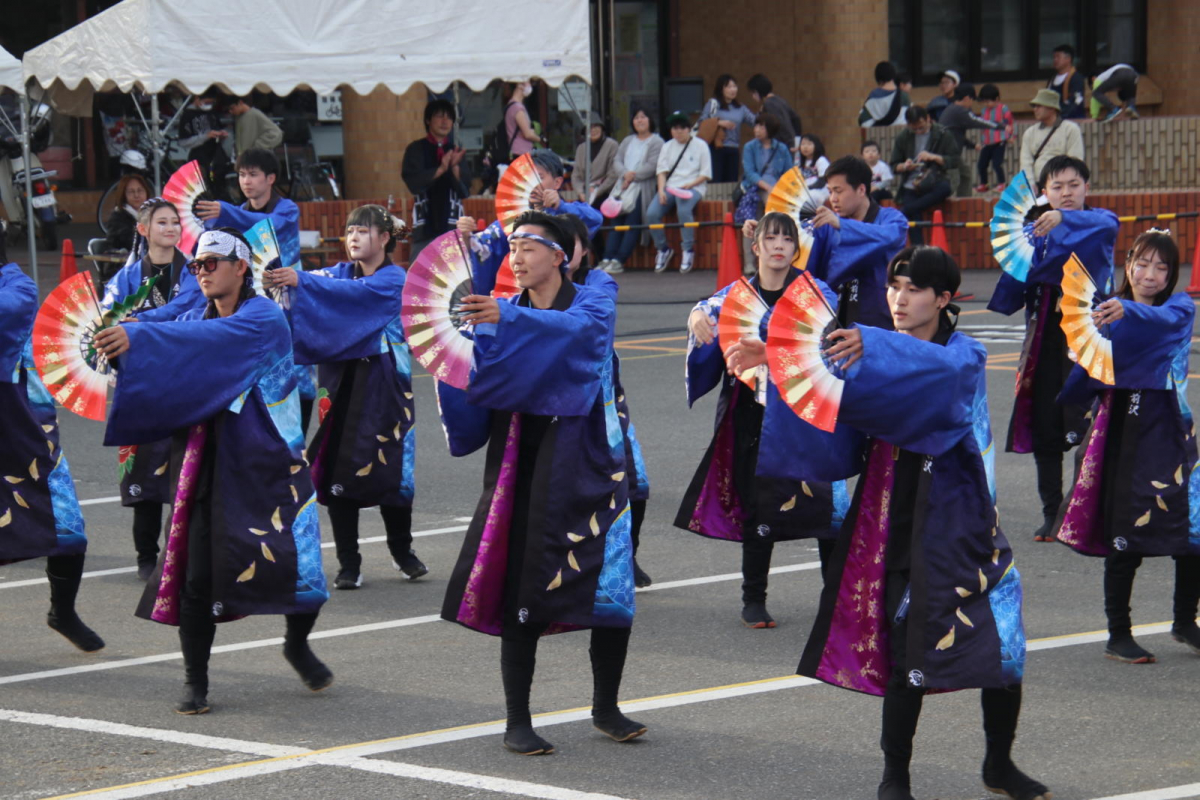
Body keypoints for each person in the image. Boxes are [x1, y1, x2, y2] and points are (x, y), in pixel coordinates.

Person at [790, 246, 1045, 800]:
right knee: (906, 651)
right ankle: (895, 778)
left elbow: (943, 375)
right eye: (893, 287)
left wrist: (875, 344)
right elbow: (823, 389)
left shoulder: (964, 354)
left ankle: (999, 764)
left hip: (962, 520)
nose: (898, 299)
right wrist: (765, 358)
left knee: (1005, 644)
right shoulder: (871, 349)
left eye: (913, 289)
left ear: (944, 298)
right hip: (896, 518)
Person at [95, 228, 332, 715]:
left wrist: (142, 336)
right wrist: (124, 340)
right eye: (195, 265)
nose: (201, 272)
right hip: (206, 463)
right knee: (196, 576)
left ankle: (297, 644)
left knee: (299, 568)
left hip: (268, 461)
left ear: (241, 267)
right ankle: (195, 680)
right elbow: (173, 330)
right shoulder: (194, 315)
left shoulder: (262, 317)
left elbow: (205, 340)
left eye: (211, 263)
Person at [435, 211, 643, 755]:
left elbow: (583, 335)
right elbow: (473, 379)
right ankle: (517, 720)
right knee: (523, 589)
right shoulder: (501, 310)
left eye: (528, 247)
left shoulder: (593, 300)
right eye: (512, 249)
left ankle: (606, 707)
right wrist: (453, 352)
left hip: (592, 462)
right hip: (527, 463)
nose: (517, 258)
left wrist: (505, 319)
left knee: (610, 585)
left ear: (560, 256)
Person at [678, 212, 848, 629]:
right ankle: (753, 598)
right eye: (770, 238)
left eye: (787, 240)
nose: (778, 246)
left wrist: (767, 341)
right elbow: (707, 309)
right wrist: (696, 315)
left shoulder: (816, 291)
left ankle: (836, 600)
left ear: (796, 249)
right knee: (757, 504)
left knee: (827, 507)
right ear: (755, 247)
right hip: (752, 412)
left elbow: (821, 340)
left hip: (805, 412)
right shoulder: (737, 293)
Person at [1053, 230, 1200, 663]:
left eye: (1162, 267)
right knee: (1125, 533)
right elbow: (1084, 376)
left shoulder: (1179, 309)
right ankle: (1118, 632)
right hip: (1122, 430)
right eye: (1142, 263)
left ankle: (1185, 621)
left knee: (1192, 528)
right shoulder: (1105, 313)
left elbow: (1163, 320)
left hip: (1171, 430)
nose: (1150, 274)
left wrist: (1126, 311)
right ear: (1129, 263)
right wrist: (1085, 349)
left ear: (1171, 275)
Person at [266, 205, 426, 591]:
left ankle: (402, 550)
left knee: (391, 469)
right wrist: (282, 283)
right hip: (338, 386)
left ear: (384, 238)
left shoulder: (393, 279)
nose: (353, 237)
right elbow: (317, 287)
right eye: (350, 231)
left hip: (384, 388)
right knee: (338, 471)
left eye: (363, 231)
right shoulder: (336, 274)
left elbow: (353, 295)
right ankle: (348, 562)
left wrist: (302, 281)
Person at [988, 155, 1118, 542]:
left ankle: (1084, 511)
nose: (1066, 193)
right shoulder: (1035, 231)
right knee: (1045, 423)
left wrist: (1061, 222)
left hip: (1090, 334)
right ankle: (1051, 512)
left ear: (1087, 188)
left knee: (1092, 424)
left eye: (1074, 185)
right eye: (1057, 187)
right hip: (1045, 334)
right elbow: (1012, 292)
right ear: (1044, 192)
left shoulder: (1099, 222)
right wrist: (1017, 256)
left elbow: (1109, 224)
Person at [0, 256, 104, 654]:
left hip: (26, 430)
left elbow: (8, 311)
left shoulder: (18, 287)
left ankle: (62, 611)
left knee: (68, 528)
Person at [100, 198, 198, 580]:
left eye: (175, 222)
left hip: (184, 380)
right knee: (143, 473)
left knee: (185, 470)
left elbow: (190, 310)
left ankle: (181, 554)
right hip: (142, 382)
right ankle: (145, 555)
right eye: (162, 222)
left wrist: (140, 321)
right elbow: (110, 317)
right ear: (143, 229)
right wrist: (122, 325)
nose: (171, 228)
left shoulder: (193, 271)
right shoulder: (125, 279)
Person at [194, 148, 315, 435]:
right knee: (255, 371)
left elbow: (268, 227)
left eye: (253, 174)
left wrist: (226, 212)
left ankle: (296, 445)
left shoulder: (287, 209)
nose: (246, 181)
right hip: (251, 304)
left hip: (288, 305)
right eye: (241, 175)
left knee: (297, 373)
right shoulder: (237, 212)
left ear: (270, 178)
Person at [743, 156, 909, 330]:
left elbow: (890, 236)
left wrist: (842, 225)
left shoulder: (892, 219)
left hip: (881, 317)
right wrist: (765, 232)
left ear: (861, 189)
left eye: (838, 191)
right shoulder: (826, 225)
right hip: (835, 316)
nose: (833, 198)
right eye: (830, 192)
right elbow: (799, 245)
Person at [597, 108, 663, 275]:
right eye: (636, 117)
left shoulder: (657, 142)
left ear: (650, 120)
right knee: (616, 221)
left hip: (641, 188)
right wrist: (624, 174)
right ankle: (607, 257)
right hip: (622, 188)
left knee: (632, 223)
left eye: (643, 117)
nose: (639, 120)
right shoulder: (627, 140)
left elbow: (652, 165)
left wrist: (631, 177)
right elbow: (617, 160)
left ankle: (619, 260)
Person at [402, 99, 469, 259]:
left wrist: (454, 168)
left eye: (449, 117)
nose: (445, 121)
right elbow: (414, 183)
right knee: (421, 271)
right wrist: (440, 169)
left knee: (456, 271)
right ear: (428, 120)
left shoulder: (455, 150)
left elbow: (465, 190)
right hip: (424, 226)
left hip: (452, 226)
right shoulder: (415, 149)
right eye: (439, 116)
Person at [646, 111, 712, 274]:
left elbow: (705, 174)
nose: (678, 131)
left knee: (683, 210)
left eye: (682, 127)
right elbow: (661, 172)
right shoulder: (667, 146)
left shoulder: (701, 145)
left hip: (694, 187)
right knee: (651, 214)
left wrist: (690, 184)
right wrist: (661, 190)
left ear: (689, 129)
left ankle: (688, 250)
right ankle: (663, 248)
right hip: (671, 187)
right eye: (675, 128)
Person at [890, 106, 958, 245]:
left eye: (921, 127)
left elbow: (955, 160)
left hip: (934, 179)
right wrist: (905, 166)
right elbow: (893, 166)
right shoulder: (904, 136)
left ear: (928, 118)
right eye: (914, 129)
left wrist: (934, 157)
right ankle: (919, 249)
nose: (918, 131)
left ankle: (906, 210)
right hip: (911, 183)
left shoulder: (942, 134)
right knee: (913, 213)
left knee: (944, 188)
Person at [737, 113, 792, 271]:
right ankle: (749, 263)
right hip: (754, 189)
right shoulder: (750, 147)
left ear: (770, 129)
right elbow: (749, 173)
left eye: (761, 126)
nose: (757, 129)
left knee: (777, 223)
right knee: (750, 223)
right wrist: (768, 187)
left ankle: (776, 259)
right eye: (756, 125)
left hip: (777, 191)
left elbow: (789, 173)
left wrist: (780, 190)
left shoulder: (781, 148)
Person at [937, 84, 1000, 197]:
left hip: (948, 151)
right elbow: (978, 121)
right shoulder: (959, 111)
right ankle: (944, 200)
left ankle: (964, 201)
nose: (972, 103)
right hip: (947, 153)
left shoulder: (952, 109)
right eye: (972, 100)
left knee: (965, 175)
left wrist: (972, 144)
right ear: (967, 98)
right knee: (953, 180)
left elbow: (956, 134)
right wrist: (1001, 126)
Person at [698, 74, 757, 183]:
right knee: (715, 183)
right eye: (729, 87)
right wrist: (719, 123)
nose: (733, 90)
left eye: (734, 86)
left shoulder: (740, 107)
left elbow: (754, 121)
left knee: (731, 183)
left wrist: (765, 111)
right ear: (721, 89)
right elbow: (701, 123)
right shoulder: (713, 104)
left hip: (733, 148)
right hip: (716, 148)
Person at [1019, 89, 1084, 186]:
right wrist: (1030, 184)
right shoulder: (1030, 133)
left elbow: (1075, 160)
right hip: (1037, 184)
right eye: (1034, 106)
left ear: (1052, 108)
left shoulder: (1071, 129)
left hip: (1062, 184)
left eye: (1039, 106)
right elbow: (1025, 162)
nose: (1035, 109)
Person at [176, 91, 230, 193]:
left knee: (217, 183)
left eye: (211, 103)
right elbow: (183, 142)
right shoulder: (188, 115)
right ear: (197, 99)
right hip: (199, 156)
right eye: (207, 102)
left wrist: (221, 134)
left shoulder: (212, 113)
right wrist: (205, 136)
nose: (209, 105)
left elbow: (218, 128)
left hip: (215, 156)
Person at [747, 73, 802, 152]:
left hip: (782, 146)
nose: (753, 96)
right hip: (790, 143)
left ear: (757, 91)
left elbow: (781, 125)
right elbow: (796, 119)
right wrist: (796, 140)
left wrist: (789, 144)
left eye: (753, 93)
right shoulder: (781, 101)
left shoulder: (769, 104)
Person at [975, 84, 1014, 193]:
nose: (986, 104)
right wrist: (982, 140)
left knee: (997, 163)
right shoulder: (984, 111)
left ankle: (1002, 183)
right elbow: (983, 125)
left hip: (999, 140)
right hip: (987, 142)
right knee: (981, 164)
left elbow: (1010, 122)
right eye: (984, 102)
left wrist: (1011, 136)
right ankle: (984, 183)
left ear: (996, 99)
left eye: (988, 101)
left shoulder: (1003, 109)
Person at [573, 120, 619, 208]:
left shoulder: (612, 145)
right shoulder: (581, 148)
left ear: (602, 128)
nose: (593, 130)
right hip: (585, 194)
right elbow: (576, 175)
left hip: (605, 194)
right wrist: (580, 193)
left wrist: (596, 192)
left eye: (596, 126)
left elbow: (613, 174)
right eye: (590, 127)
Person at [103, 173, 151, 253]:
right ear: (123, 195)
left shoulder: (153, 214)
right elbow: (131, 242)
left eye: (140, 190)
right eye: (131, 192)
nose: (136, 195)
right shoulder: (118, 218)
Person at [859, 61, 910, 128]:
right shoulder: (903, 96)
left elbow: (864, 122)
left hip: (876, 134)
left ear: (878, 78)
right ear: (893, 76)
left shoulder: (872, 97)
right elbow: (906, 120)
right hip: (899, 133)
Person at [1047, 44, 1087, 120]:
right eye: (1054, 57)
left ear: (1068, 59)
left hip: (1074, 119)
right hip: (1055, 119)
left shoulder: (1076, 78)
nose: (1055, 60)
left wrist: (1062, 115)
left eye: (1058, 57)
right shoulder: (1052, 79)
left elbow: (1077, 101)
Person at [502, 81, 540, 160]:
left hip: (515, 151)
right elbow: (527, 134)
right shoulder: (518, 108)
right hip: (521, 152)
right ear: (519, 85)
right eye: (528, 83)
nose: (530, 86)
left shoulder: (510, 105)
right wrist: (539, 139)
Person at [797, 134, 830, 206]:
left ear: (816, 146)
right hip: (805, 190)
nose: (805, 147)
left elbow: (822, 182)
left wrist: (807, 188)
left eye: (809, 144)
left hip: (820, 191)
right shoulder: (801, 163)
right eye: (803, 144)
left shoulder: (821, 160)